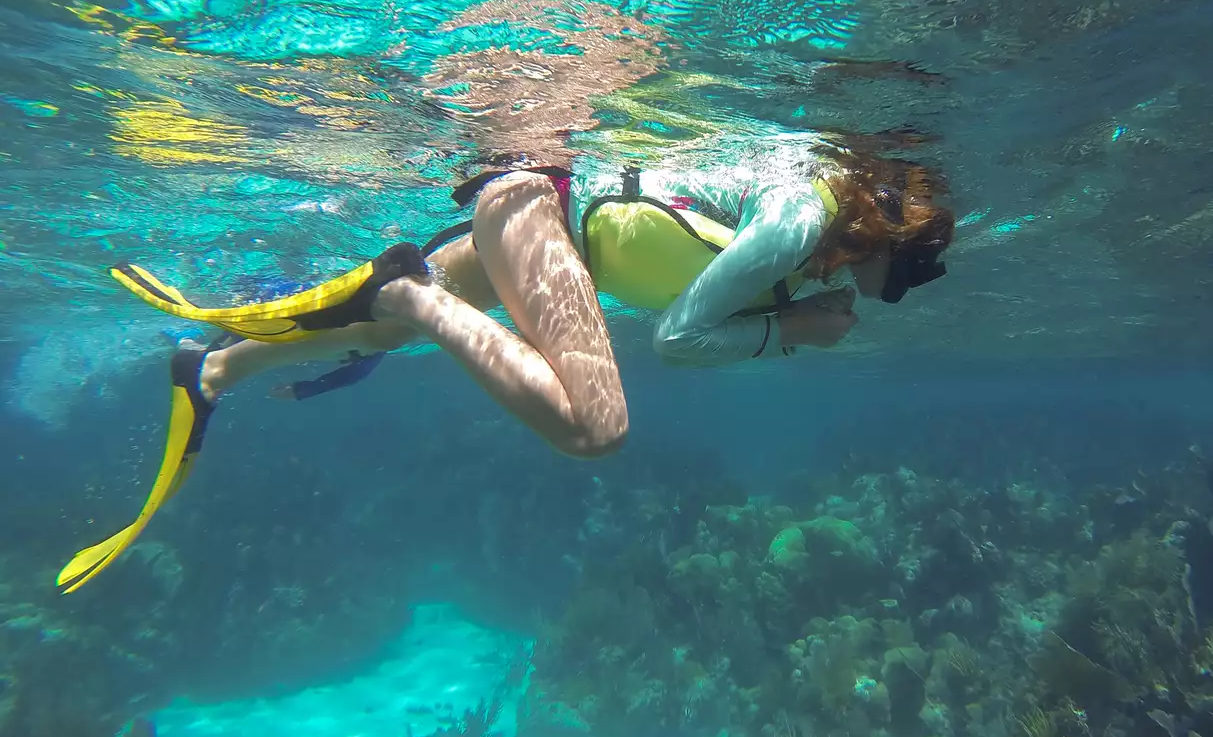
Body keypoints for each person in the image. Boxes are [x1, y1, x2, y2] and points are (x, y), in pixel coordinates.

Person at [57, 141, 955, 592]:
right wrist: (790, 331)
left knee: (368, 335)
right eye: (891, 276)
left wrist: (792, 313)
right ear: (889, 235)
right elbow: (677, 338)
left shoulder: (809, 239)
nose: (872, 289)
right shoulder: (802, 220)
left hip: (545, 222)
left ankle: (211, 373)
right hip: (538, 204)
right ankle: (408, 292)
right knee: (595, 426)